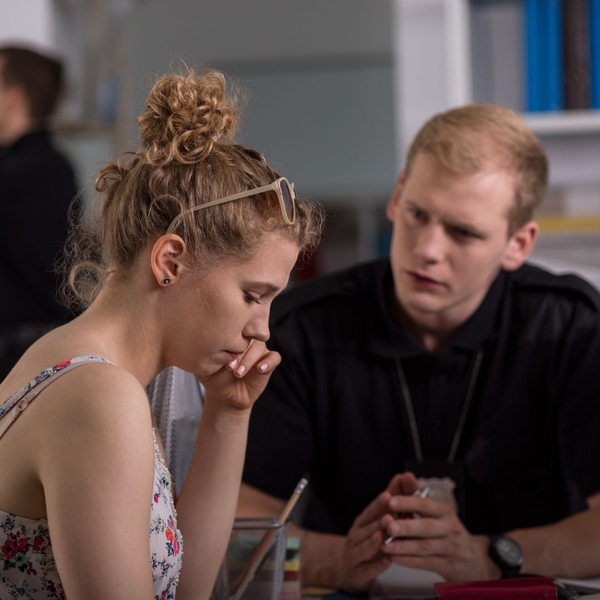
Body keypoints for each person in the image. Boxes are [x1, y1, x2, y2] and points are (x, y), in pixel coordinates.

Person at [236, 104, 600, 592]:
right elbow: (240, 522)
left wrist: (492, 558)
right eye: (417, 214)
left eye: (463, 232)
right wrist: (341, 559)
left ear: (519, 243)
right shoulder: (304, 326)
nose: (428, 248)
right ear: (397, 196)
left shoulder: (570, 325)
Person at [0, 68, 322, 599]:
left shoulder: (68, 362)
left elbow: (186, 587)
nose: (261, 328)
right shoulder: (100, 397)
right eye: (252, 294)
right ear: (170, 260)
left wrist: (229, 414)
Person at [0, 46, 78, 380]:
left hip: (20, 352)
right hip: (42, 344)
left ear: (12, 98)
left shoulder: (22, 171)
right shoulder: (55, 164)